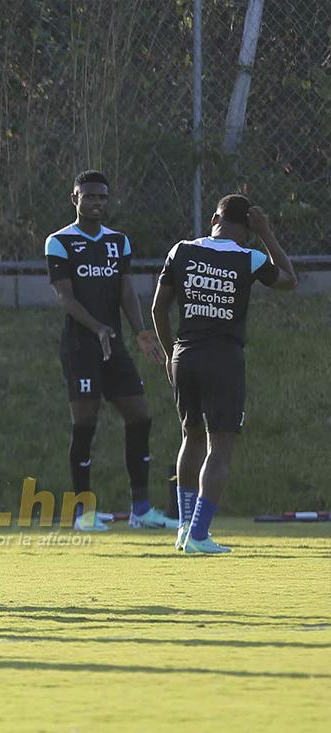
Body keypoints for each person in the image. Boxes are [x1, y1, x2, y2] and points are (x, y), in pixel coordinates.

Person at [151, 196, 296, 554]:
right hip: (223, 359)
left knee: (192, 438)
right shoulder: (250, 256)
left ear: (214, 218)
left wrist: (171, 354)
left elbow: (158, 307)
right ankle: (200, 534)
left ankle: (184, 528)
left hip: (185, 354)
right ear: (247, 227)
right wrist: (267, 235)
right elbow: (290, 280)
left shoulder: (180, 250)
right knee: (221, 447)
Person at [45, 170, 177, 532]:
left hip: (113, 346)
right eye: (89, 197)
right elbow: (64, 296)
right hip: (80, 347)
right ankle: (84, 512)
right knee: (85, 424)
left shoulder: (118, 242)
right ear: (75, 198)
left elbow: (125, 291)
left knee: (140, 415)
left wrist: (140, 332)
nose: (97, 203)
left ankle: (141, 509)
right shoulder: (60, 242)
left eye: (102, 197)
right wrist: (98, 327)